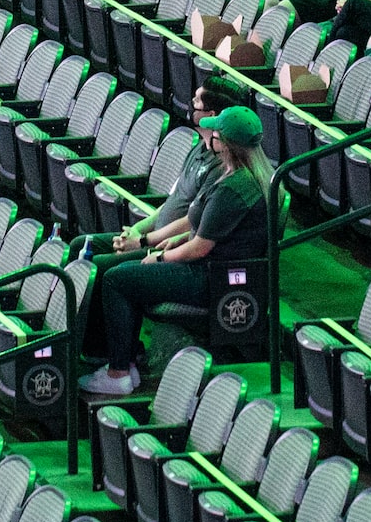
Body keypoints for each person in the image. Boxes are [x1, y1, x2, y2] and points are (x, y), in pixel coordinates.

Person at [77, 105, 272, 397]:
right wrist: (171, 242)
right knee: (116, 272)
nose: (210, 138)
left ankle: (118, 372)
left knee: (118, 280)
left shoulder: (236, 188)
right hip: (203, 266)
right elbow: (200, 227)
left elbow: (200, 247)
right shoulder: (231, 176)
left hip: (210, 278)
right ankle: (125, 362)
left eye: (216, 134)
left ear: (226, 145)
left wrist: (161, 257)